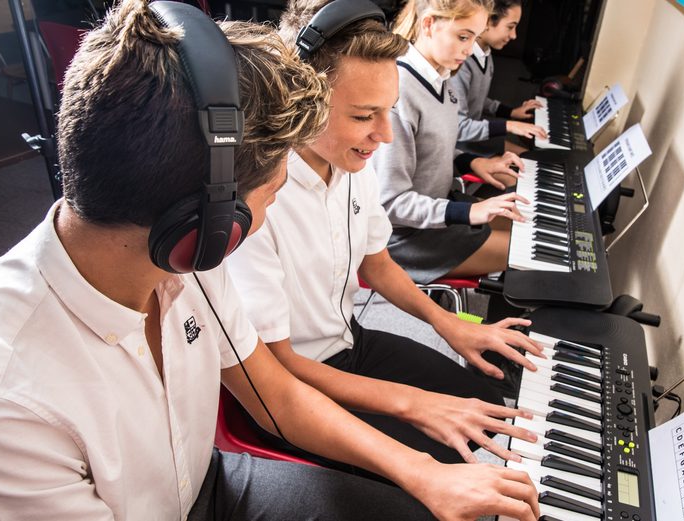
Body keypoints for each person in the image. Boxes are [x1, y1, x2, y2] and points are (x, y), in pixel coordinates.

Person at [0, 2, 540, 520]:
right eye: (271, 189)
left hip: (206, 484)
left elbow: (274, 393)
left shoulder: (191, 265)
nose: (281, 187)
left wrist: (420, 471)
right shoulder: (14, 402)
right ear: (204, 221)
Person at [227, 0, 543, 469]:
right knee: (449, 458)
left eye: (388, 112)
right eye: (363, 116)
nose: (386, 136)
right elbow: (280, 369)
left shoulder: (352, 165)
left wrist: (451, 327)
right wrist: (413, 403)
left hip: (350, 342)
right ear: (301, 101)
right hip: (298, 383)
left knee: (487, 407)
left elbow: (377, 263)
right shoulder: (258, 201)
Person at [372, 0, 529, 284]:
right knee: (530, 252)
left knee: (528, 224)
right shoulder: (400, 92)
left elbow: (431, 144)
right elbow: (390, 202)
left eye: (474, 38)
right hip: (405, 239)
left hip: (439, 212)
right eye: (463, 37)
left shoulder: (440, 77)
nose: (469, 50)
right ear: (429, 24)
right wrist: (468, 212)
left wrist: (473, 161)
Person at [450, 0, 546, 154]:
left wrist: (511, 112)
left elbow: (475, 98)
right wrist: (509, 125)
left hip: (475, 137)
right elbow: (458, 127)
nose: (514, 35)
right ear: (487, 21)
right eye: (510, 27)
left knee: (531, 155)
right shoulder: (461, 63)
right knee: (525, 167)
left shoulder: (485, 54)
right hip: (457, 149)